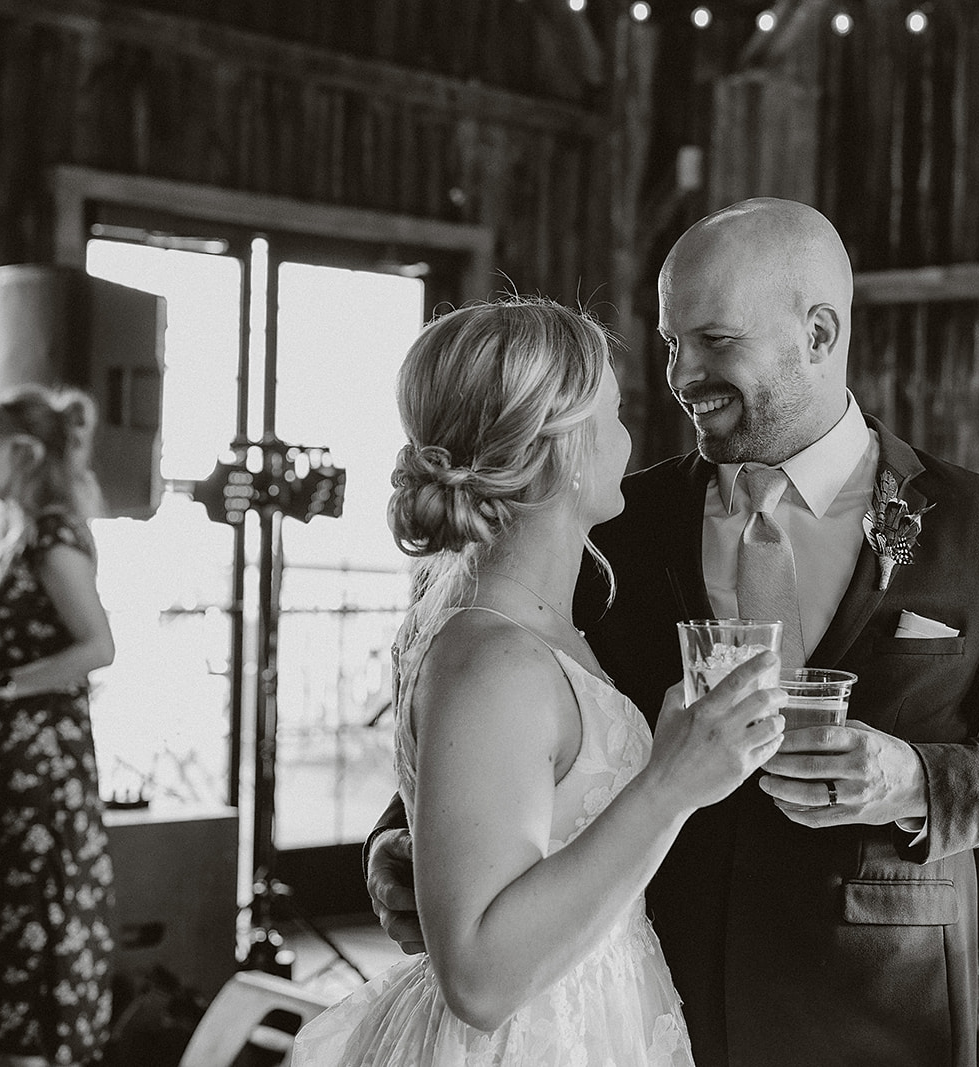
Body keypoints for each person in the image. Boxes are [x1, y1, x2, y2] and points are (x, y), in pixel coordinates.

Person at [366, 199, 979, 1066]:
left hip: (878, 1011)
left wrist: (913, 779)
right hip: (657, 998)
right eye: (671, 342)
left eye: (715, 340)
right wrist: (401, 842)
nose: (682, 374)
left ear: (819, 333)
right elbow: (502, 708)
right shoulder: (615, 522)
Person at [291, 297, 787, 1066]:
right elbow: (479, 979)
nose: (632, 437)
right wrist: (671, 783)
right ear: (566, 446)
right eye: (615, 414)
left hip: (605, 1012)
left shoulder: (541, 622)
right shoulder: (494, 656)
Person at [0, 385, 116, 1066]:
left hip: (43, 785)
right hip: (9, 778)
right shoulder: (13, 536)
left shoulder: (53, 535)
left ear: (26, 453)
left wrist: (1, 683)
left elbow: (97, 646)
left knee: (29, 970)